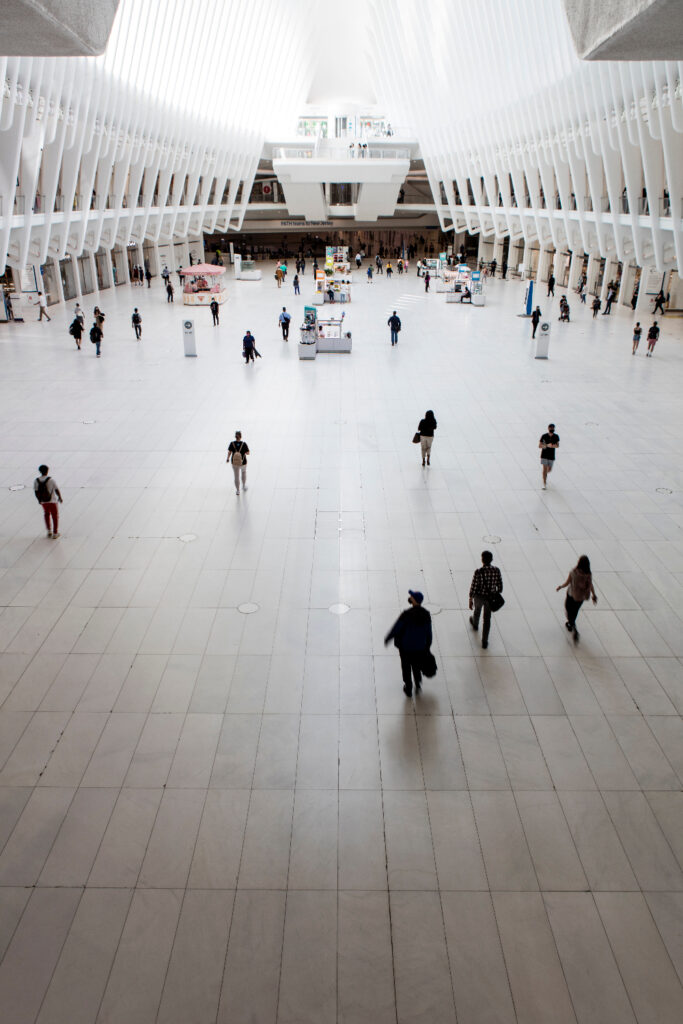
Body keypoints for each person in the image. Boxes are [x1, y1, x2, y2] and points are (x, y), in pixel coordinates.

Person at [384, 591, 433, 697]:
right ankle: (418, 684)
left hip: (405, 648)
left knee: (406, 667)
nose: (410, 597)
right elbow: (429, 633)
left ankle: (408, 687)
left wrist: (388, 638)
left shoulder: (406, 614)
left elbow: (396, 628)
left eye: (411, 596)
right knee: (416, 666)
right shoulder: (426, 614)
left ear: (414, 600)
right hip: (420, 647)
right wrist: (427, 646)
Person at [556, 554, 597, 640]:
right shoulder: (588, 575)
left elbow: (567, 582)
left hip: (571, 594)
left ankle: (573, 626)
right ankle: (571, 624)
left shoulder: (574, 572)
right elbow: (590, 585)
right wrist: (594, 594)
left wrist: (561, 586)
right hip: (580, 597)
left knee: (568, 608)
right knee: (574, 612)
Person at [469, 550, 503, 650]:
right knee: (487, 619)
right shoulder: (496, 570)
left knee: (477, 611)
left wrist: (470, 598)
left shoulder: (478, 572)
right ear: (491, 559)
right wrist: (495, 591)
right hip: (490, 598)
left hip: (479, 597)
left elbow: (474, 586)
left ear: (482, 560)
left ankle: (475, 625)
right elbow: (500, 587)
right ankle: (484, 641)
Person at [34, 464, 63, 539]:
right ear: (47, 471)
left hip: (44, 502)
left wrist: (39, 500)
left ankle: (49, 531)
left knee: (46, 514)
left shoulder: (36, 481)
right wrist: (60, 497)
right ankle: (55, 533)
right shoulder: (51, 480)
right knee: (55, 516)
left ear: (40, 471)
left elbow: (36, 492)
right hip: (52, 501)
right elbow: (56, 489)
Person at [227, 430, 249, 495]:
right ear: (240, 436)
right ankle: (244, 485)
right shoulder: (244, 444)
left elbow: (229, 452)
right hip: (243, 462)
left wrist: (228, 458)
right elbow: (248, 453)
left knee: (236, 476)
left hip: (235, 462)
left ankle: (237, 490)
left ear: (235, 436)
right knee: (243, 473)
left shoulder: (232, 444)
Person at [539, 422, 559, 489]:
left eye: (553, 428)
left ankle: (545, 475)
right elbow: (540, 445)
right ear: (548, 428)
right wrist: (547, 445)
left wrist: (552, 446)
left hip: (551, 455)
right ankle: (544, 482)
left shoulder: (556, 436)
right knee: (544, 469)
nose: (552, 429)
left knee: (549, 469)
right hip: (544, 455)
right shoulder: (544, 436)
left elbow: (557, 445)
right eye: (550, 428)